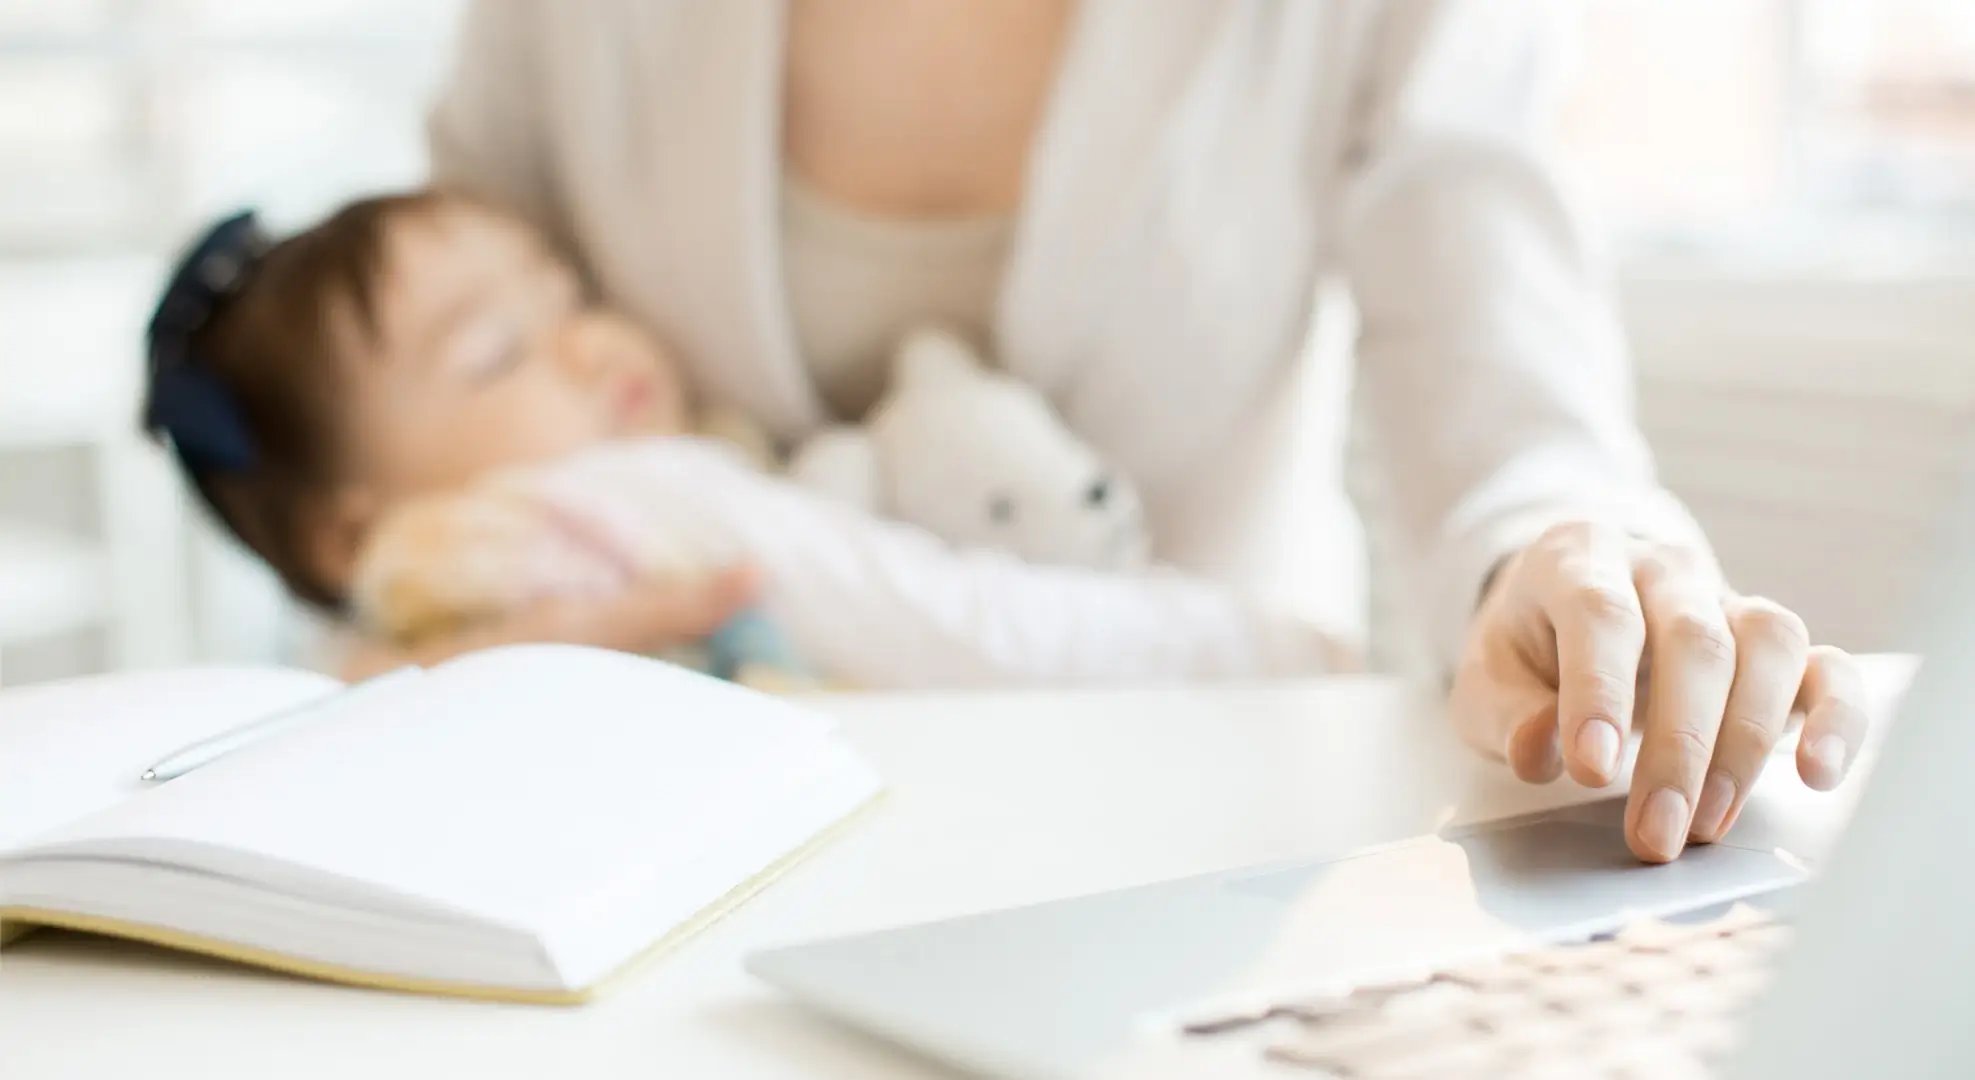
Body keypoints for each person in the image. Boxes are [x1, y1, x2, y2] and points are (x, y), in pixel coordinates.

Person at [409, 0, 1865, 864]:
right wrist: (418, 632)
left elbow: (1507, 414)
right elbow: (403, 396)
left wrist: (1564, 575)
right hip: (670, 842)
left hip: (1216, 842)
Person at [141, 193, 1334, 687]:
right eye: (498, 351)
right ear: (353, 526)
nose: (591, 345)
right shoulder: (631, 501)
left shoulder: (377, 649)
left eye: (568, 297)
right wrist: (1267, 642)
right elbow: (951, 622)